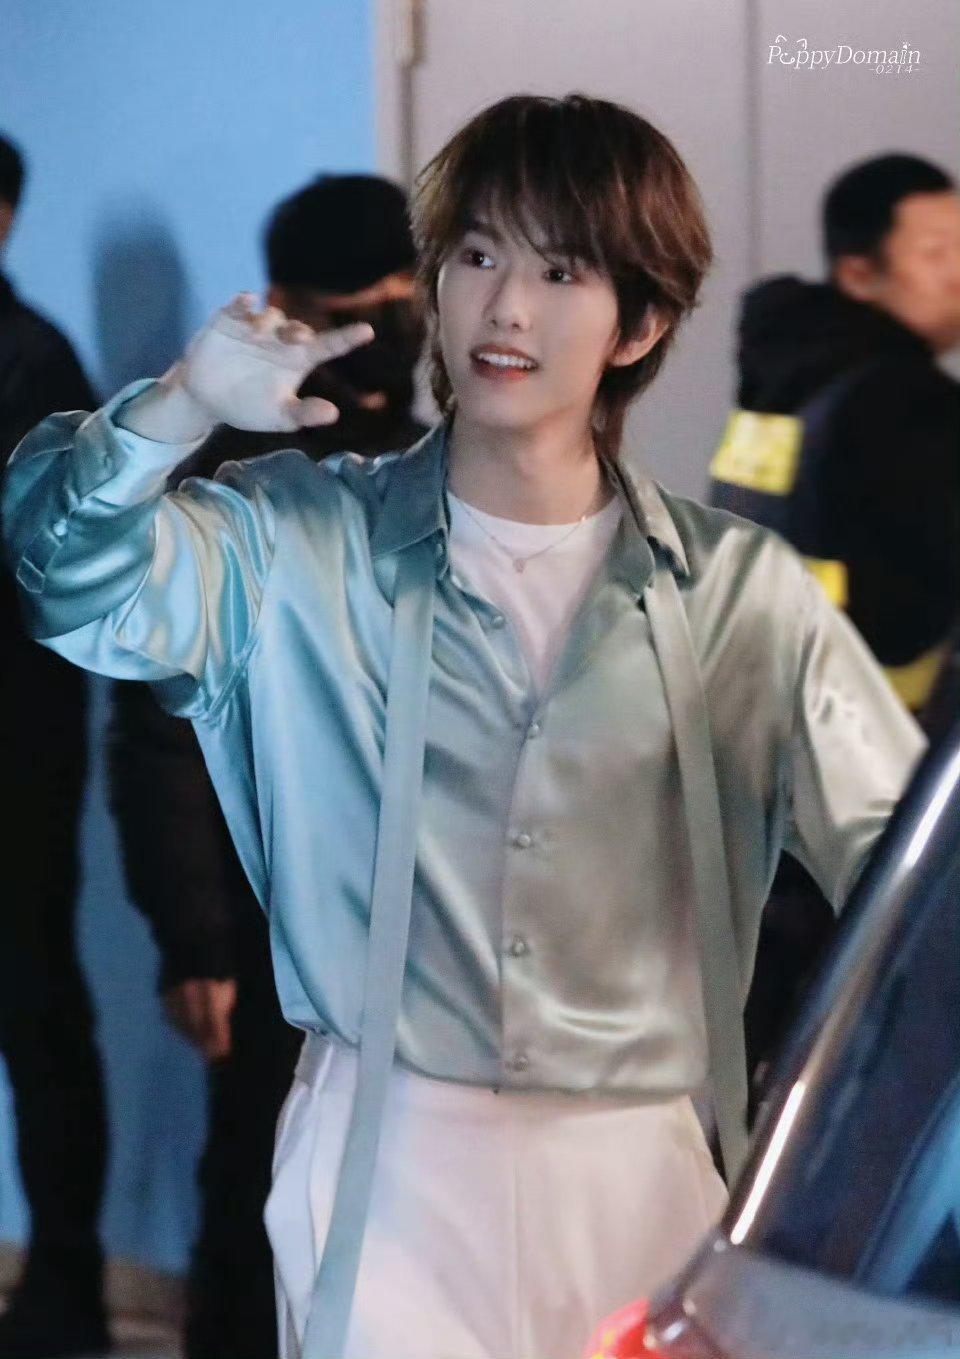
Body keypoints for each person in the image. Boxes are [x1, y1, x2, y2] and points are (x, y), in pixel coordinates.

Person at [2, 95, 923, 1359]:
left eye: (561, 271)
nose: (507, 309)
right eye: (478, 255)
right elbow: (61, 577)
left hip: (644, 1158)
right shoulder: (294, 539)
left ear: (641, 322)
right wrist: (176, 407)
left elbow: (913, 902)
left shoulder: (740, 596)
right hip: (383, 1153)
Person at [107, 172, 426, 1359]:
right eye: (357, 306)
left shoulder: (444, 455)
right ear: (287, 305)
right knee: (261, 1182)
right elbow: (162, 733)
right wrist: (194, 938)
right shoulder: (233, 478)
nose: (386, 326)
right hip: (265, 912)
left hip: (416, 907)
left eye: (401, 297)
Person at [710, 154, 960, 1096]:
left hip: (770, 772)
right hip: (878, 781)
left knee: (776, 1062)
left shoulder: (789, 379)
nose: (959, 272)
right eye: (935, 251)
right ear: (860, 272)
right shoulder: (904, 401)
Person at [0, 135, 109, 1359]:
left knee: (34, 1010)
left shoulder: (35, 362)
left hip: (17, 749)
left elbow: (50, 564)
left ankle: (66, 1288)